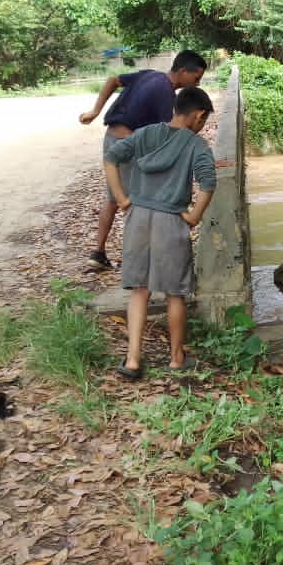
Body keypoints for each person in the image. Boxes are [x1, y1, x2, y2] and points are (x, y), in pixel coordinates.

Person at [103, 86, 219, 379]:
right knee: (175, 294)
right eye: (203, 122)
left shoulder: (144, 134)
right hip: (171, 221)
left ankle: (132, 360)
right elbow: (208, 182)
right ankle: (177, 358)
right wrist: (193, 216)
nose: (201, 127)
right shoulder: (196, 145)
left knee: (139, 292)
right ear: (198, 115)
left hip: (138, 218)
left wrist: (122, 199)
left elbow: (111, 158)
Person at [79, 49, 209, 270]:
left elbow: (113, 80)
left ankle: (98, 252)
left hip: (111, 138)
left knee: (113, 198)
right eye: (196, 78)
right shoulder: (166, 93)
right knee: (141, 201)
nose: (196, 84)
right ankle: (141, 260)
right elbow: (172, 135)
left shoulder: (150, 74)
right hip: (130, 145)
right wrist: (203, 159)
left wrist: (95, 111)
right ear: (182, 71)